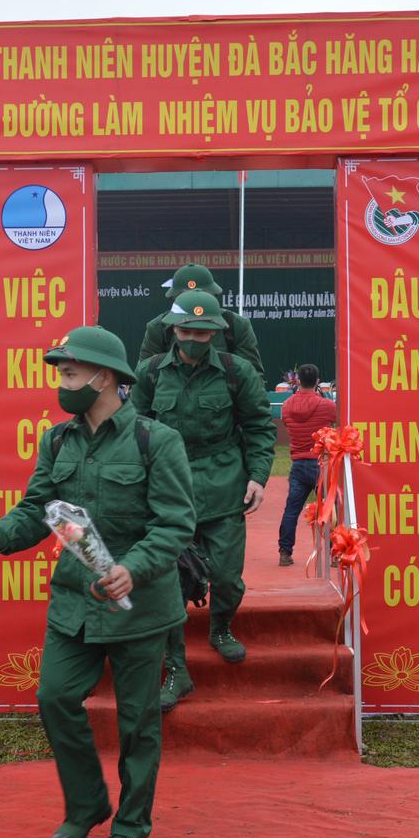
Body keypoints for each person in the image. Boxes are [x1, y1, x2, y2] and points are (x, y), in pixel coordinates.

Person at [0, 326, 195, 838]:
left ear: (105, 376)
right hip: (75, 602)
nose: (62, 384)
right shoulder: (57, 441)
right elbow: (37, 512)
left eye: (70, 373)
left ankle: (132, 825)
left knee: (137, 722)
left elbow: (175, 522)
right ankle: (87, 803)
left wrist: (133, 568)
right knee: (54, 697)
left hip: (140, 607)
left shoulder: (156, 440)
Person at [131, 290, 274, 709]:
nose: (193, 339)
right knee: (168, 585)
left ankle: (221, 628)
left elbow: (259, 426)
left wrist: (258, 477)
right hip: (167, 491)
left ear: (215, 333)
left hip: (223, 485)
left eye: (202, 332)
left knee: (227, 576)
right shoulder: (150, 373)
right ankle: (176, 669)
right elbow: (133, 430)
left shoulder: (236, 371)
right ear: (173, 329)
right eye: (186, 331)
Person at [136, 263, 264, 375]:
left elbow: (252, 376)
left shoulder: (236, 325)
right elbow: (144, 376)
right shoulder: (158, 327)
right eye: (185, 332)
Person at [278, 364, 337, 565]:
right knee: (331, 508)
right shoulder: (327, 406)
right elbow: (335, 421)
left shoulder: (287, 406)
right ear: (317, 381)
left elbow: (287, 423)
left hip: (298, 463)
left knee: (291, 510)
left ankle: (285, 552)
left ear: (298, 381)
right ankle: (336, 552)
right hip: (321, 464)